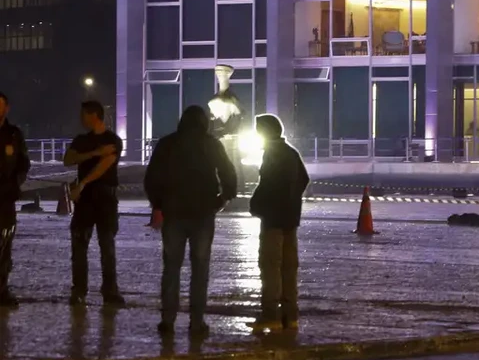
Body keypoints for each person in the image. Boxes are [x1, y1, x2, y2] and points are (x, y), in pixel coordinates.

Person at [144, 106, 238, 337]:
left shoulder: (167, 144)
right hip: (203, 213)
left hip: (173, 213)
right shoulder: (211, 144)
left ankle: (167, 320)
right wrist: (223, 198)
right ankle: (197, 323)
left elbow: (152, 177)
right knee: (200, 269)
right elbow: (229, 173)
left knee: (171, 268)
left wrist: (157, 205)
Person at [249, 114, 309, 332]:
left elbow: (268, 185)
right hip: (290, 219)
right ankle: (290, 313)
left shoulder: (273, 154)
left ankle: (270, 313)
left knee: (270, 265)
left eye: (258, 130)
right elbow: (304, 179)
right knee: (289, 266)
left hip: (273, 219)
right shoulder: (291, 153)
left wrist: (257, 204)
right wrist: (293, 202)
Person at [64, 101, 125, 307]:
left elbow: (105, 165)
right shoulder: (82, 140)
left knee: (107, 247)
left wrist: (82, 183)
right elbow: (68, 159)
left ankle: (110, 292)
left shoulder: (113, 140)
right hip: (86, 201)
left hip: (104, 199)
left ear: (94, 116)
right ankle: (79, 290)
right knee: (79, 246)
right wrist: (95, 153)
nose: (81, 119)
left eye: (84, 115)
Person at [0, 93, 29, 307]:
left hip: (5, 199)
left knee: (5, 245)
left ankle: (2, 289)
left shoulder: (13, 135)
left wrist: (15, 183)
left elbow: (23, 163)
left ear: (6, 108)